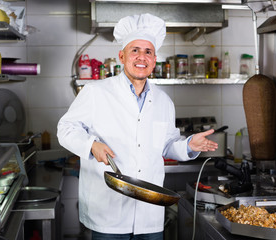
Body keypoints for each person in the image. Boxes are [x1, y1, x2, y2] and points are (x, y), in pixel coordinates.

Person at [57, 13, 218, 240]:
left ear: (154, 60)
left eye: (148, 52)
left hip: (149, 214)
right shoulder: (96, 92)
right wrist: (91, 144)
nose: (142, 57)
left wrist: (189, 145)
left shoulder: (164, 101)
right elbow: (65, 128)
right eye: (135, 50)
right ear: (122, 56)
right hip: (107, 214)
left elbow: (168, 144)